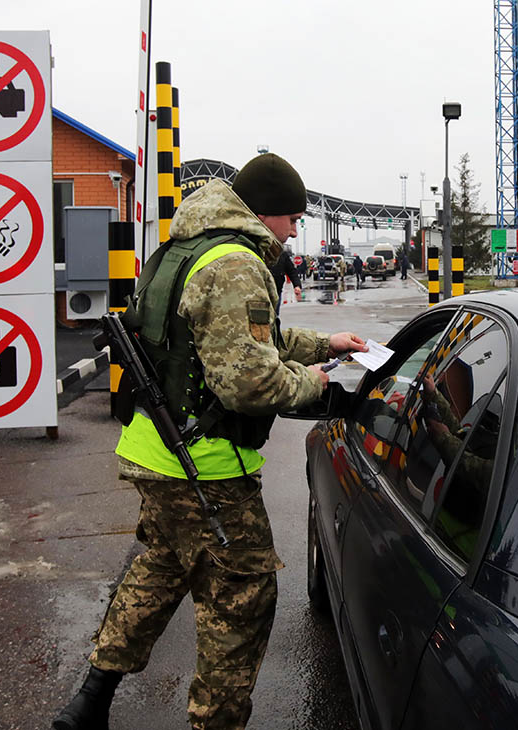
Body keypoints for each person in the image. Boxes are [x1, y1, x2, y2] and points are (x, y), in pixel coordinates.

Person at [52, 153, 367, 730]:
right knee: (241, 601)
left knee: (161, 570)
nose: (298, 228)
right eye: (292, 217)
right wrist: (316, 384)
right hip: (205, 464)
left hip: (157, 451)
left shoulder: (188, 248)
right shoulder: (237, 265)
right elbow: (249, 381)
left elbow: (247, 339)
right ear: (267, 213)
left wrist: (326, 344)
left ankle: (88, 702)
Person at [269, 246, 302, 311]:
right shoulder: (259, 251)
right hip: (261, 290)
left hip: (277, 290)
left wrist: (297, 285)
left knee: (275, 315)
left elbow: (291, 271)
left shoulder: (282, 254)